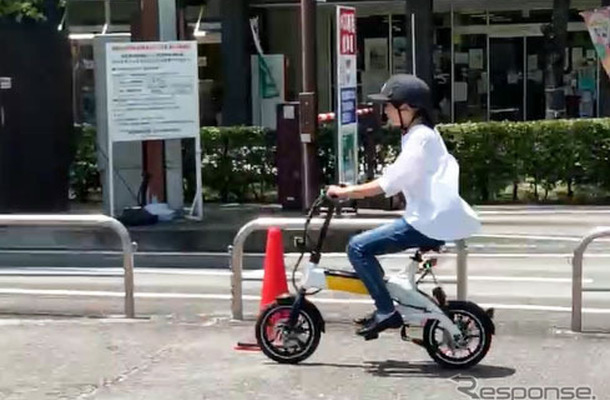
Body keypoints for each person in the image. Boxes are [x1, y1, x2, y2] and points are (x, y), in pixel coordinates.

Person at [326, 74, 481, 339]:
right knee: (366, 249)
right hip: (426, 218)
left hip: (425, 222)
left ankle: (386, 310)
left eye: (388, 105)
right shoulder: (419, 135)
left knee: (358, 247)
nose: (384, 110)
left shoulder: (420, 137)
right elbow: (405, 177)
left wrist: (345, 192)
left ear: (407, 108)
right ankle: (386, 304)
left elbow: (390, 183)